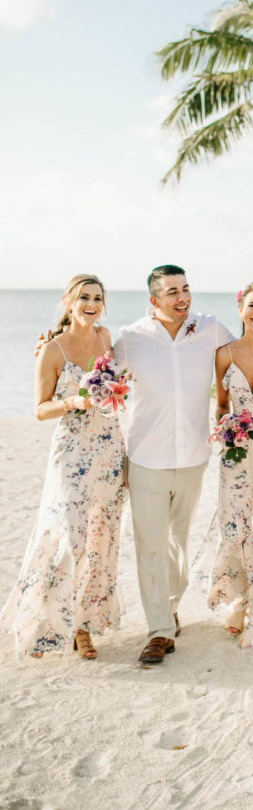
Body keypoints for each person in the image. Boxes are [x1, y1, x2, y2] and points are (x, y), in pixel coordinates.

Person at [113, 265, 234, 665]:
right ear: (153, 301)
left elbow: (247, 355)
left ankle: (170, 605)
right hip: (146, 457)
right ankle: (160, 630)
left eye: (185, 289)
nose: (182, 298)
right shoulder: (130, 339)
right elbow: (95, 379)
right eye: (172, 292)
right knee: (149, 546)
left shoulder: (211, 328)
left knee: (178, 545)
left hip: (194, 455)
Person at [0, 274, 126, 659]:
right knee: (66, 536)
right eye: (84, 297)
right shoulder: (52, 350)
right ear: (69, 301)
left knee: (99, 538)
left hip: (109, 447)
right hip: (71, 451)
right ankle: (44, 620)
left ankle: (83, 626)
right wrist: (72, 402)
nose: (91, 303)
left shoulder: (107, 339)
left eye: (98, 297)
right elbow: (39, 409)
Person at [196, 280, 253, 647]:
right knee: (234, 524)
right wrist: (224, 426)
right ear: (240, 308)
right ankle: (239, 598)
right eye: (252, 305)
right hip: (235, 455)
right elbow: (220, 404)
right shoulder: (223, 354)